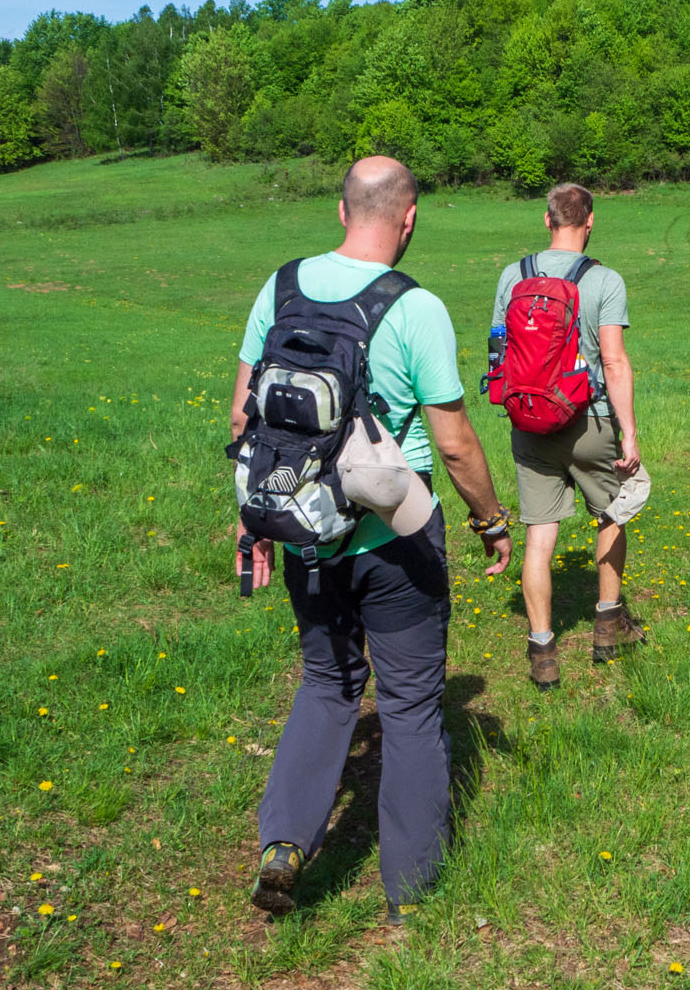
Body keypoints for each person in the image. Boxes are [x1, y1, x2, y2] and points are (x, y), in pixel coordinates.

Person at [230, 155, 514, 925]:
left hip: (304, 532)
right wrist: (491, 519)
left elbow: (244, 419)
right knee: (414, 704)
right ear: (409, 217)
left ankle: (284, 842)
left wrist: (256, 517)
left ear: (341, 209)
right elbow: (454, 445)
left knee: (326, 684)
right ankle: (411, 896)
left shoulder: (281, 285)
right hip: (394, 540)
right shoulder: (413, 307)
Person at [484, 182, 643, 690]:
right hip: (589, 422)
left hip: (529, 423)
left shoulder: (514, 275)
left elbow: (498, 350)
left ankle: (543, 653)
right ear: (590, 221)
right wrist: (630, 433)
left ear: (546, 220)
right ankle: (607, 627)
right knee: (612, 513)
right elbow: (614, 361)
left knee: (538, 536)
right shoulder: (605, 280)